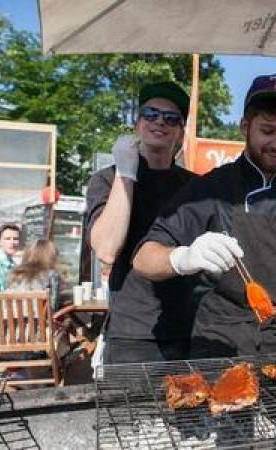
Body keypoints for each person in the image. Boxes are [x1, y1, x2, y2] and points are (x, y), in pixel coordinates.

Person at [133, 72, 276, 359]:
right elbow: (144, 258)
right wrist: (182, 258)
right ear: (244, 127)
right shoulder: (209, 189)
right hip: (218, 343)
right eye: (267, 130)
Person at [82, 81, 198, 363]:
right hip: (132, 332)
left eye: (171, 118)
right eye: (150, 113)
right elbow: (107, 249)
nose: (159, 121)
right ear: (137, 123)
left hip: (190, 328)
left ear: (181, 132)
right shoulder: (106, 179)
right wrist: (125, 173)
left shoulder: (195, 186)